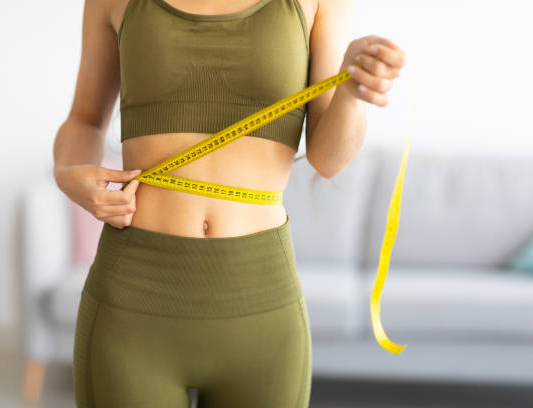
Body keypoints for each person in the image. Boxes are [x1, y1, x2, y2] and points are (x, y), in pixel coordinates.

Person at [53, 0, 406, 406]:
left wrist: (350, 91)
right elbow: (84, 119)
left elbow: (328, 160)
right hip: (132, 296)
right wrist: (68, 173)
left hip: (262, 301)